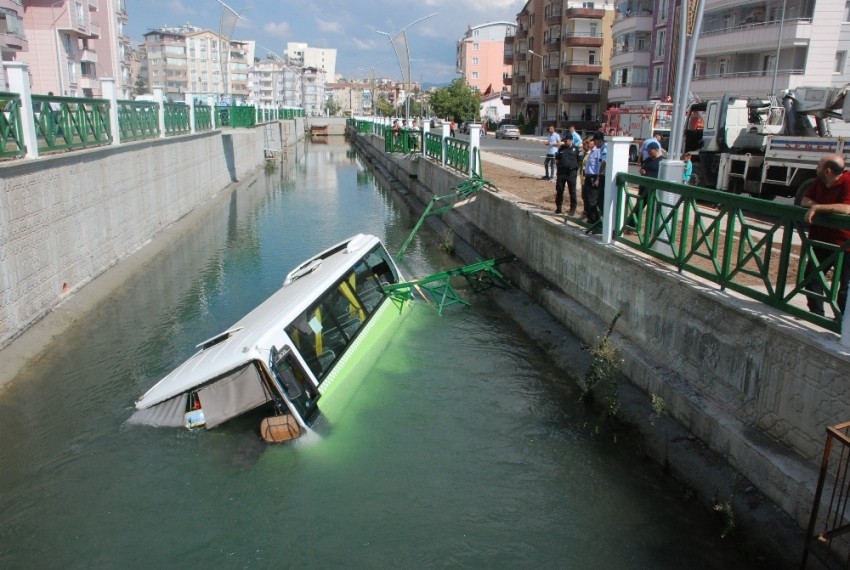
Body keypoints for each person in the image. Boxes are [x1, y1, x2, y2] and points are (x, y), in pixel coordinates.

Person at [800, 153, 850, 319]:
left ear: (827, 170)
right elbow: (805, 200)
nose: (816, 168)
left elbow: (846, 208)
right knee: (812, 277)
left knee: (845, 288)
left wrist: (817, 208)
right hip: (821, 239)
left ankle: (842, 323)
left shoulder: (848, 182)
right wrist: (817, 206)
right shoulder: (820, 182)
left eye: (819, 165)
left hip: (845, 244)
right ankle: (817, 315)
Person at [582, 132, 605, 227]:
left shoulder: (598, 151)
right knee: (586, 198)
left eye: (589, 142)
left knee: (592, 200)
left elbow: (602, 164)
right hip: (587, 177)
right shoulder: (591, 152)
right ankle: (590, 219)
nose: (587, 144)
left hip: (593, 177)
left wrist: (598, 177)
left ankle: (594, 221)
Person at [554, 137, 580, 215]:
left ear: (571, 140)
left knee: (572, 191)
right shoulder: (561, 149)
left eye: (566, 141)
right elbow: (557, 160)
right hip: (562, 173)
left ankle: (572, 209)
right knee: (559, 189)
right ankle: (558, 208)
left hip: (571, 173)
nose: (565, 142)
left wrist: (574, 169)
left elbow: (579, 161)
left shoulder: (576, 149)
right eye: (564, 141)